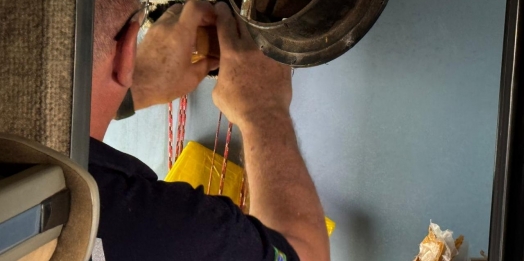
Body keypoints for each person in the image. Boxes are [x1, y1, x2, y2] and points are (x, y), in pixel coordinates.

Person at [90, 0, 330, 260]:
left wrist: (131, 87)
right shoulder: (165, 229)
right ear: (129, 50)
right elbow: (304, 253)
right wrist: (263, 110)